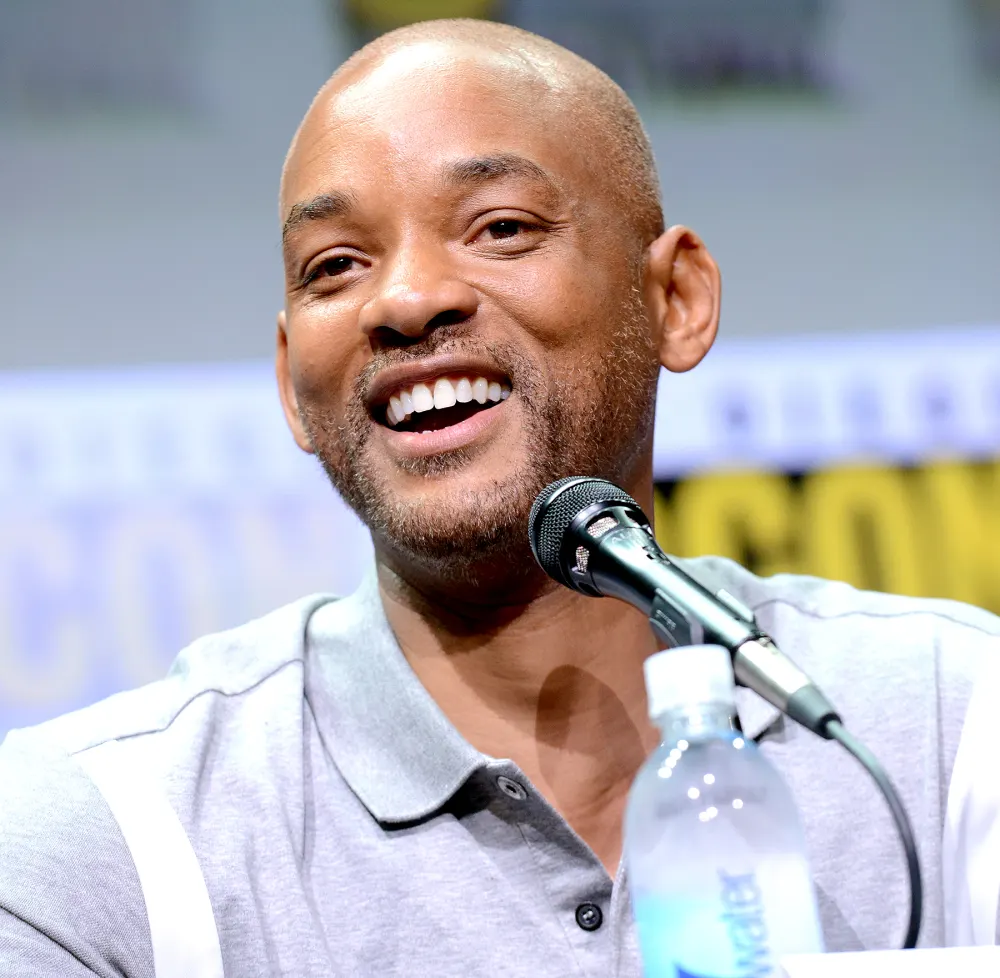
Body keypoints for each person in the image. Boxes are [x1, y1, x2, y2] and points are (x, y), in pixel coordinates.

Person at [1, 18, 997, 977]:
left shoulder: (952, 726)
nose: (405, 300)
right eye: (335, 266)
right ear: (289, 385)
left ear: (675, 300)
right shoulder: (102, 840)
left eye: (501, 228)